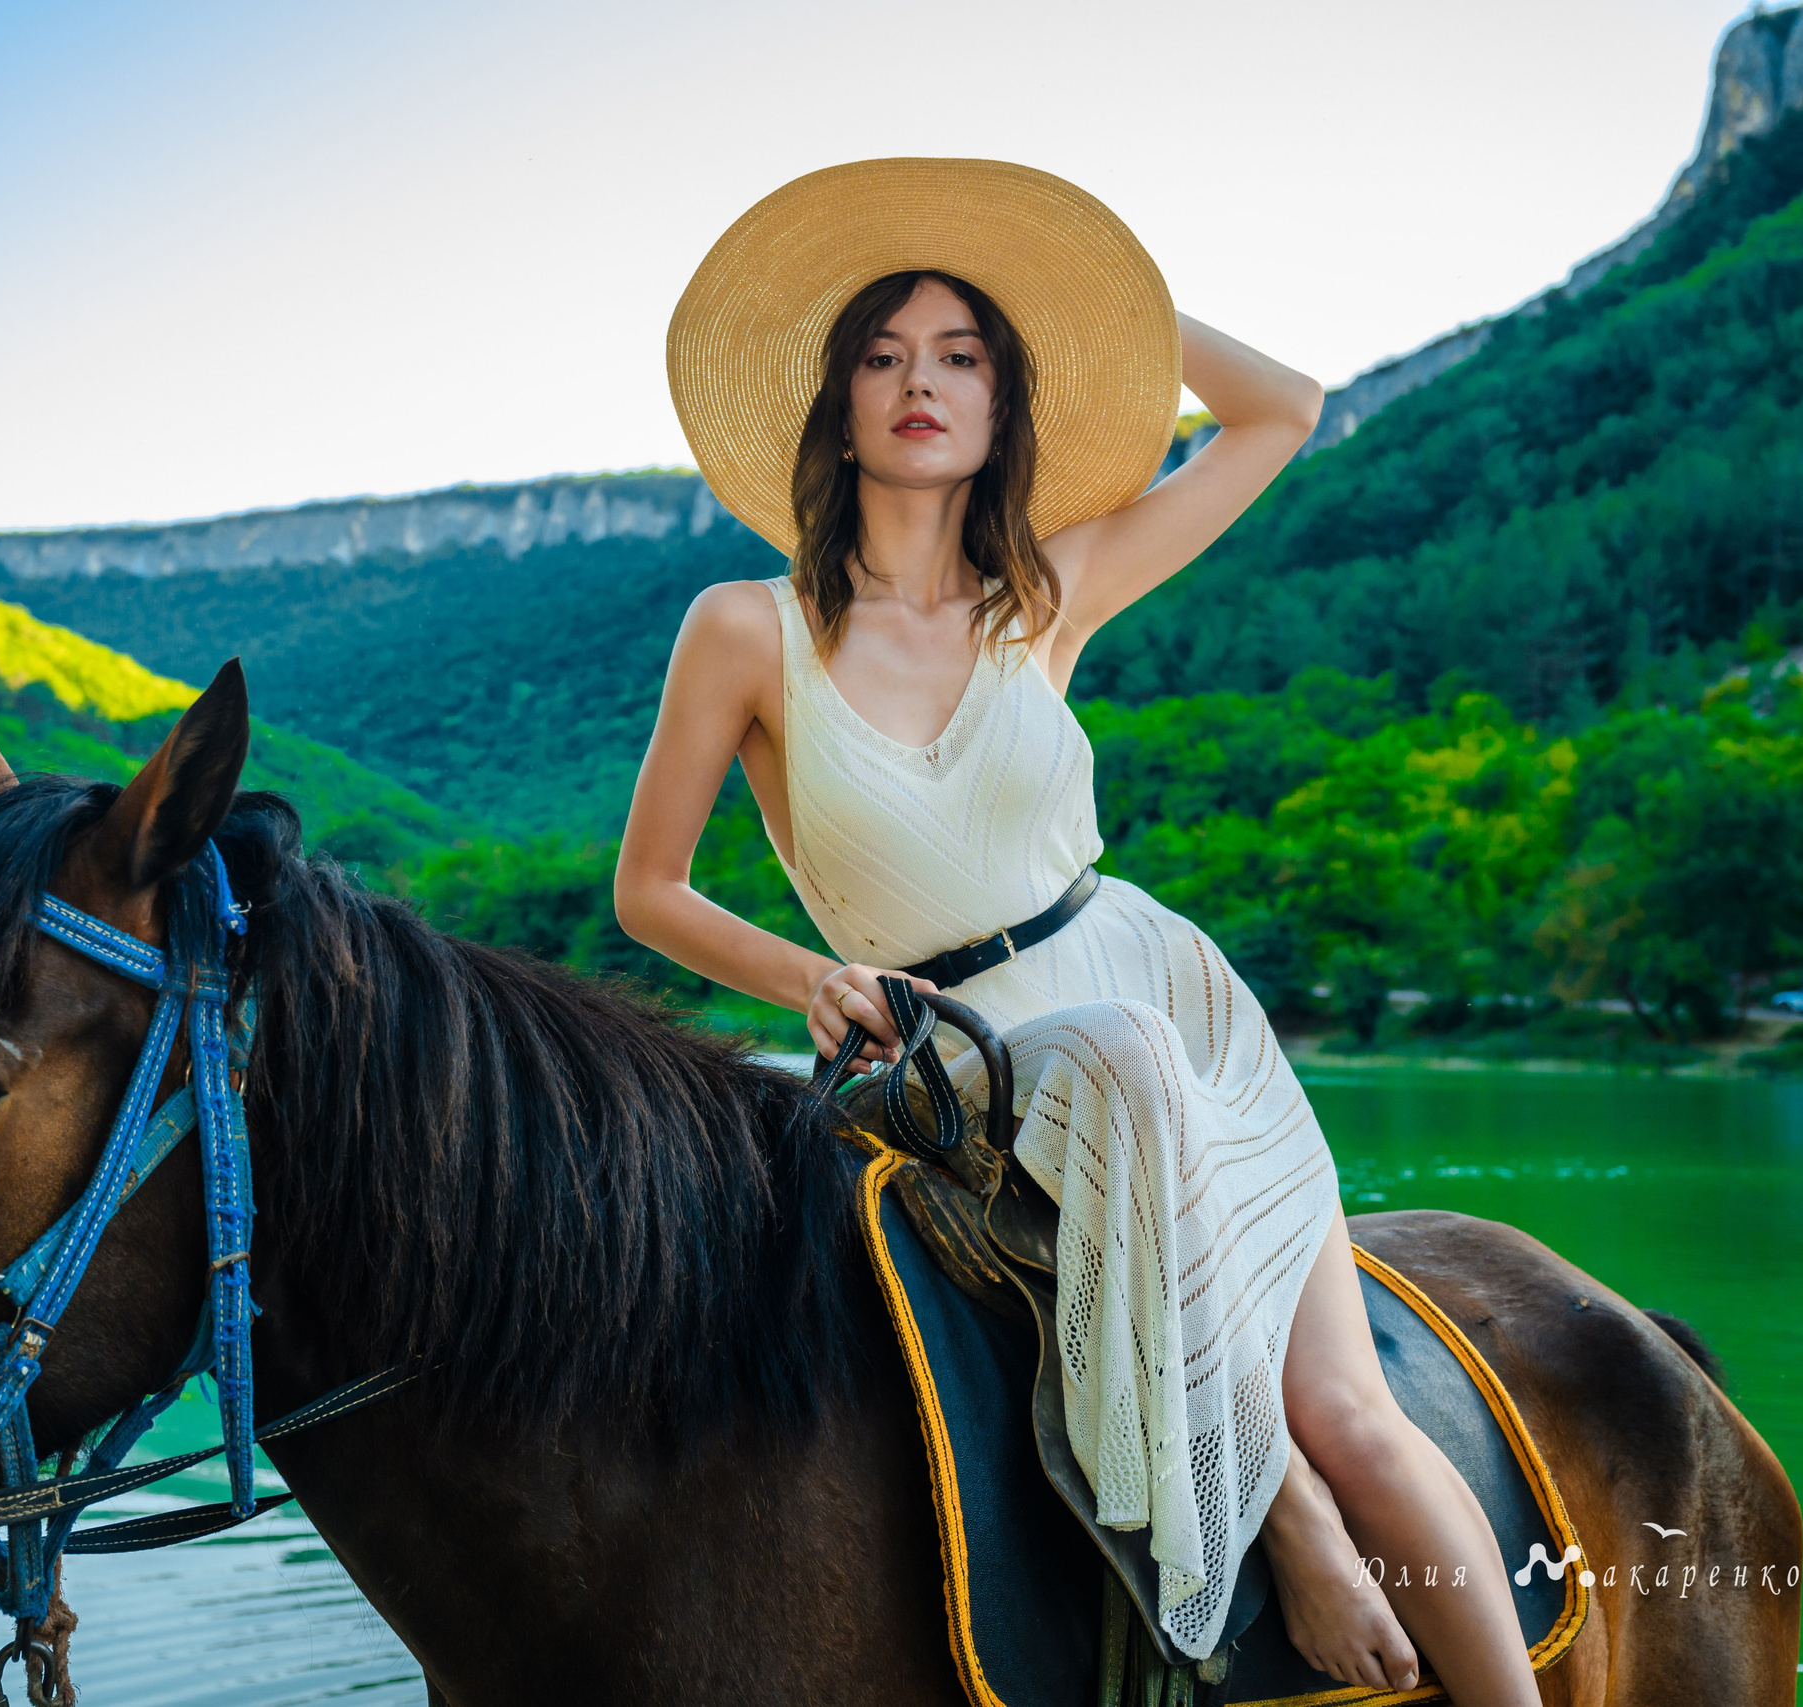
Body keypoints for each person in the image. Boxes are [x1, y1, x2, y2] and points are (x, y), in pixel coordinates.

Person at [615, 159, 1538, 1700]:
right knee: (1104, 1059)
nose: (922, 384)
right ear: (836, 405)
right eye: (885, 357)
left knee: (1359, 1411)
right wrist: (812, 977)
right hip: (955, 1052)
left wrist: (1101, 301)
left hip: (1161, 994)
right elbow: (650, 889)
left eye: (963, 356)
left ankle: (1395, 1571)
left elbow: (1284, 410)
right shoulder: (742, 628)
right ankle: (1279, 1519)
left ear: (1002, 403)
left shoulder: (1049, 594)